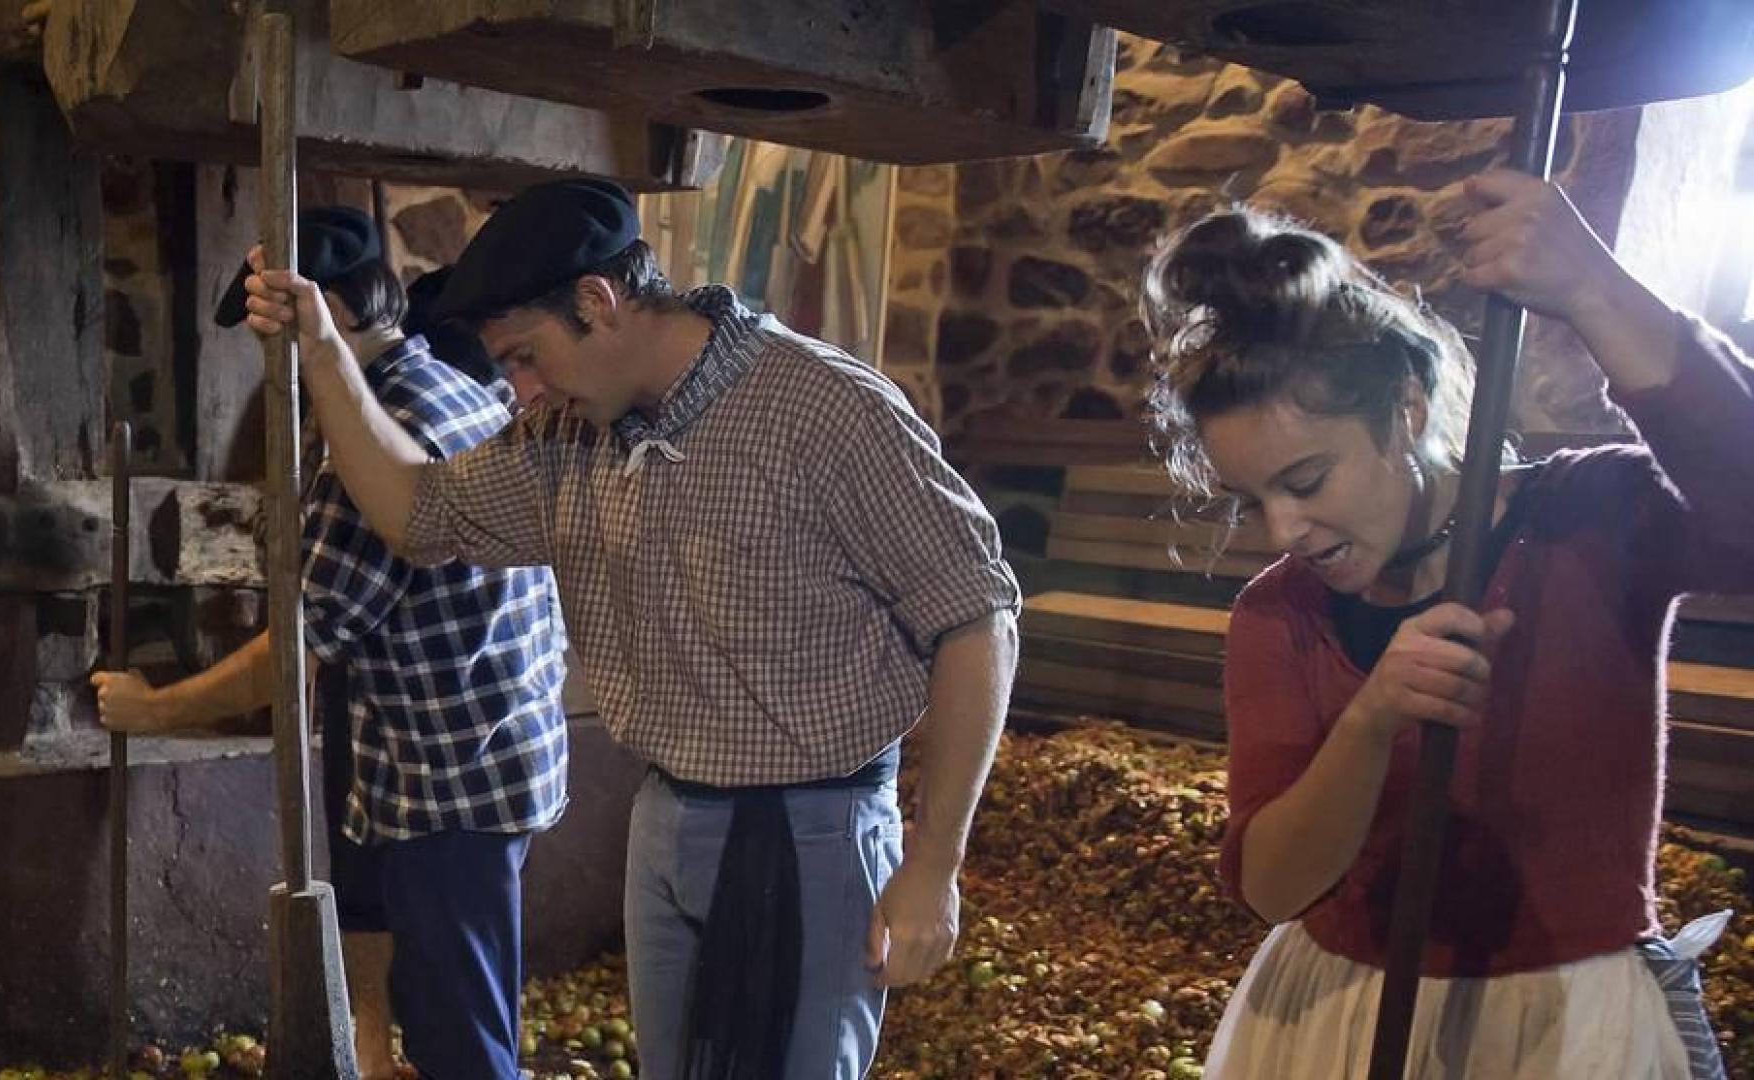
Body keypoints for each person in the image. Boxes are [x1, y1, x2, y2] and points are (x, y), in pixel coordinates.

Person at [239, 178, 1021, 1079]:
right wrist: (326, 351)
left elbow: (976, 620)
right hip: (667, 816)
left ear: (597, 302)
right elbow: (419, 512)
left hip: (811, 827)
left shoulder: (823, 410)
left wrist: (934, 864)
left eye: (527, 357)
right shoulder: (570, 438)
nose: (520, 393)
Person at [1141, 169, 1751, 1078]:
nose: (1284, 531)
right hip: (1341, 1016)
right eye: (1253, 497)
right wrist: (1371, 721)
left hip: (1563, 1023)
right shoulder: (1282, 615)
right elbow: (1272, 885)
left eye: (1306, 482)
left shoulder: (1587, 519)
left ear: (1409, 410)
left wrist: (1595, 289)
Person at [93, 206, 568, 1080]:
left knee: (462, 1044)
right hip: (500, 759)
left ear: (332, 318)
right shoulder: (459, 388)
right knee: (459, 1017)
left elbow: (297, 650)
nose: (270, 361)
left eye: (276, 332)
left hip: (451, 784)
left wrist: (150, 706)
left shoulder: (374, 444)